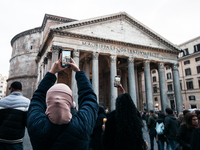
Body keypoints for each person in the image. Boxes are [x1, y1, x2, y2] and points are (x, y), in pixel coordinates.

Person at [27, 55, 99, 150]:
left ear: (47, 101)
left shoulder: (36, 124)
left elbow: (37, 98)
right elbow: (89, 98)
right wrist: (78, 71)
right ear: (70, 102)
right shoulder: (82, 125)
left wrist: (52, 72)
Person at [102, 84, 146, 150]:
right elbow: (133, 109)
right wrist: (123, 92)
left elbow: (106, 143)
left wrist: (104, 130)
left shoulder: (113, 119)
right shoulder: (135, 119)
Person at [0, 81, 30, 150]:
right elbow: (27, 122)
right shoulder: (26, 102)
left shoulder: (1, 101)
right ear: (21, 90)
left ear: (12, 89)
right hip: (16, 140)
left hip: (1, 139)